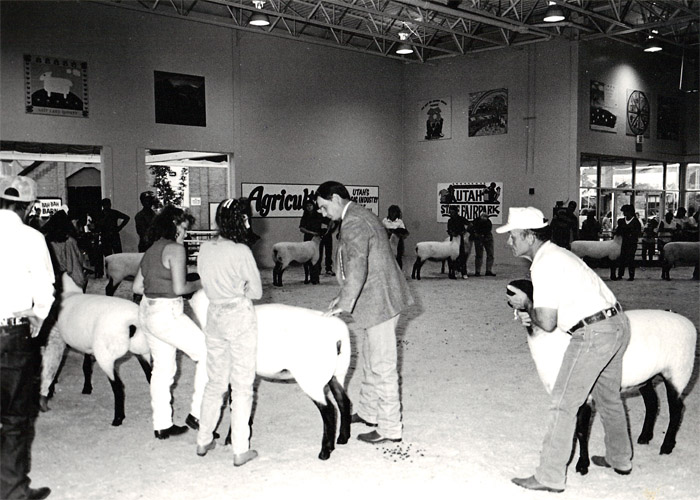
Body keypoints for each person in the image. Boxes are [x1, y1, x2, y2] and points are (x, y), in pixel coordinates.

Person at [498, 206, 632, 493]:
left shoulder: (544, 263)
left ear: (530, 236)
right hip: (617, 324)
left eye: (513, 236)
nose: (508, 242)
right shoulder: (559, 254)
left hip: (594, 333)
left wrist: (527, 305)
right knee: (608, 398)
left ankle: (549, 476)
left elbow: (547, 322)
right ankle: (620, 459)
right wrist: (532, 310)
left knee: (563, 403)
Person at [316, 181, 412, 444]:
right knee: (370, 357)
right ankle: (369, 412)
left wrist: (345, 301)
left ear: (336, 199)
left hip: (380, 301)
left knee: (382, 365)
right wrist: (343, 295)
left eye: (323, 207)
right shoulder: (358, 215)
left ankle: (390, 428)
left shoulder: (354, 222)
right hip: (377, 299)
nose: (322, 213)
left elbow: (358, 264)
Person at [196, 198, 262, 467]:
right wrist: (240, 289)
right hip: (238, 315)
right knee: (242, 385)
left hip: (214, 314)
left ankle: (203, 439)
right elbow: (256, 292)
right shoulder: (241, 251)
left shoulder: (204, 248)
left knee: (215, 382)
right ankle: (240, 449)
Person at [132, 205, 207, 439]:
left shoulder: (151, 249)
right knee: (209, 353)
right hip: (167, 313)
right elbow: (181, 288)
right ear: (174, 225)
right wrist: (202, 281)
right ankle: (198, 414)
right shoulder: (176, 249)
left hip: (147, 310)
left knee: (163, 369)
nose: (186, 233)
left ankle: (162, 424)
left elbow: (137, 287)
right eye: (184, 228)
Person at [0, 175, 54, 500]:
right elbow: (45, 286)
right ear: (29, 206)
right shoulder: (32, 237)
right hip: (12, 333)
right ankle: (11, 490)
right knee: (14, 416)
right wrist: (39, 315)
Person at [42, 208, 87, 291]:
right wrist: (82, 281)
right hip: (67, 280)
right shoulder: (69, 241)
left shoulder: (45, 240)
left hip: (50, 280)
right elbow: (73, 265)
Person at [94, 198, 130, 277]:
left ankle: (110, 273)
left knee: (110, 256)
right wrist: (119, 227)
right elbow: (127, 218)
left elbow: (127, 218)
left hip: (107, 236)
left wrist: (119, 227)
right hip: (112, 235)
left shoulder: (101, 214)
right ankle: (116, 272)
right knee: (116, 255)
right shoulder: (113, 213)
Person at [614, 204, 642, 281]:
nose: (623, 213)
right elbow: (618, 231)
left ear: (629, 212)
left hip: (632, 243)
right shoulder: (622, 221)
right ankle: (620, 274)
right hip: (623, 242)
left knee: (630, 259)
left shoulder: (635, 222)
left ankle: (631, 275)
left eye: (625, 211)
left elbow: (638, 233)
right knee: (622, 258)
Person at [446, 206, 470, 278]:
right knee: (452, 256)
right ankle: (453, 271)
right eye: (450, 212)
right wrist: (451, 233)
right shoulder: (450, 221)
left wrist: (464, 231)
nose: (451, 213)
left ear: (456, 212)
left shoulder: (461, 219)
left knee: (462, 255)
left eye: (452, 212)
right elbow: (449, 230)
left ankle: (463, 272)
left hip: (460, 238)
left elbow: (469, 224)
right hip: (453, 239)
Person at [470, 212, 495, 276]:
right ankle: (478, 271)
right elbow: (472, 229)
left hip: (486, 237)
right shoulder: (476, 221)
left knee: (489, 254)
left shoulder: (488, 222)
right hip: (480, 238)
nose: (485, 218)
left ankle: (487, 270)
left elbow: (488, 230)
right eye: (484, 217)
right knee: (479, 255)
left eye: (486, 217)